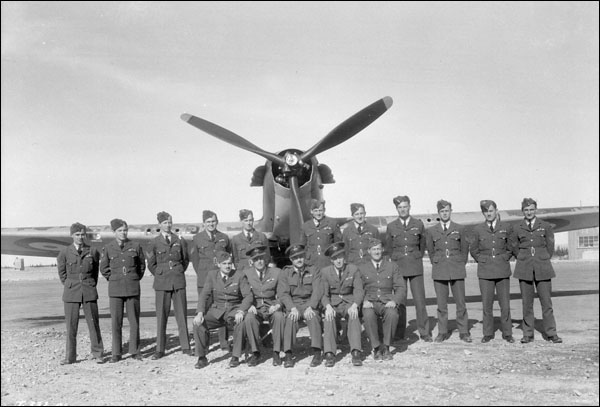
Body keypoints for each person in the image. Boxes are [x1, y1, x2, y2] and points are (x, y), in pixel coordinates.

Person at [510, 198, 562, 344]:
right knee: (527, 303)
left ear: (536, 210)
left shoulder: (545, 226)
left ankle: (551, 333)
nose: (529, 212)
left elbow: (550, 245)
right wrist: (521, 256)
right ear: (522, 211)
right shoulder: (517, 227)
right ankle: (528, 334)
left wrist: (543, 258)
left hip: (542, 267)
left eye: (531, 209)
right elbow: (514, 245)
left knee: (546, 303)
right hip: (524, 267)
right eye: (526, 210)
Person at [193, 251, 253, 369]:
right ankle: (201, 357)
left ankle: (235, 356)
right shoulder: (212, 275)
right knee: (198, 324)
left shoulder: (239, 275)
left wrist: (241, 311)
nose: (227, 266)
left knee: (240, 323)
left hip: (233, 310)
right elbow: (204, 295)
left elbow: (248, 296)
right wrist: (199, 313)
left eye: (229, 263)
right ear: (218, 264)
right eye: (224, 263)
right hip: (217, 311)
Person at [385, 195, 431, 342]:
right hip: (399, 267)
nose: (402, 209)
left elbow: (422, 244)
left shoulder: (418, 224)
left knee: (419, 300)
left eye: (405, 206)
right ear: (396, 209)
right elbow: (389, 247)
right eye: (400, 207)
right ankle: (399, 333)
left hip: (415, 265)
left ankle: (424, 332)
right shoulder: (391, 226)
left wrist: (416, 255)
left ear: (409, 206)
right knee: (400, 301)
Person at [146, 211, 191, 359]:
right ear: (159, 224)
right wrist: (161, 273)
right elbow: (151, 264)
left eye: (170, 222)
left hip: (178, 280)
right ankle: (160, 349)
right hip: (162, 282)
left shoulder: (179, 240)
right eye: (165, 222)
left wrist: (176, 272)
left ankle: (185, 346)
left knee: (181, 315)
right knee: (161, 316)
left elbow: (185, 260)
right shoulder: (154, 242)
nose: (168, 225)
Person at [57, 222, 104, 364]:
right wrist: (70, 284)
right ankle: (70, 357)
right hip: (71, 292)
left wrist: (89, 284)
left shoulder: (93, 251)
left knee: (93, 324)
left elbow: (95, 272)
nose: (80, 237)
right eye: (77, 234)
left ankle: (98, 354)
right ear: (72, 235)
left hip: (88, 290)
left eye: (83, 234)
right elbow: (62, 274)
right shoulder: (64, 252)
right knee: (71, 325)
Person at [100, 219, 146, 362]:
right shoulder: (108, 248)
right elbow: (104, 268)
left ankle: (135, 351)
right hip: (115, 289)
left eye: (125, 230)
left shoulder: (135, 246)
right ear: (114, 232)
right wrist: (115, 278)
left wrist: (133, 278)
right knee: (116, 322)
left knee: (134, 321)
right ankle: (116, 353)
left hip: (132, 287)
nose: (123, 233)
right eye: (120, 230)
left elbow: (141, 267)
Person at [425, 200, 472, 343]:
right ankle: (442, 331)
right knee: (441, 304)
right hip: (440, 270)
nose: (445, 213)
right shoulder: (432, 231)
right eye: (442, 211)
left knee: (461, 303)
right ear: (438, 213)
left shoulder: (460, 229)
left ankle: (464, 332)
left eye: (447, 210)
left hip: (456, 268)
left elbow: (464, 250)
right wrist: (438, 262)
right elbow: (431, 251)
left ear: (451, 211)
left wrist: (459, 262)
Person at [469, 200, 515, 343]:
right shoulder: (478, 230)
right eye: (486, 211)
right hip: (485, 271)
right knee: (487, 305)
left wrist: (504, 258)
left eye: (491, 210)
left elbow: (511, 247)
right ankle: (488, 333)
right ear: (483, 213)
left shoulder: (506, 227)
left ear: (496, 211)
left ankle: (507, 333)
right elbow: (474, 249)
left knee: (505, 304)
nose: (489, 213)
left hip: (502, 270)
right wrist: (483, 260)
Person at [357, 238, 406, 361]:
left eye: (379, 249)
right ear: (369, 251)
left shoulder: (392, 266)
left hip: (387, 300)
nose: (377, 252)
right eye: (374, 249)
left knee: (392, 313)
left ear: (383, 250)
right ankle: (376, 348)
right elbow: (358, 288)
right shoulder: (362, 268)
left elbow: (400, 287)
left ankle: (386, 346)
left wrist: (394, 300)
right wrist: (364, 301)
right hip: (370, 302)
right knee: (367, 316)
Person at [189, 210, 231, 350]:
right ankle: (204, 343)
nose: (211, 224)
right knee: (204, 310)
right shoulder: (197, 238)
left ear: (217, 221)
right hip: (204, 280)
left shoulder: (223, 237)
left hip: (220, 281)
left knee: (222, 308)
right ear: (203, 224)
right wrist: (203, 274)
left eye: (213, 221)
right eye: (208, 222)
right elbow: (195, 260)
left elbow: (228, 256)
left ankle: (224, 342)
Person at [277, 244, 323, 368]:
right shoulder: (285, 272)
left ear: (304, 257)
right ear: (291, 260)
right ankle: (288, 353)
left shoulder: (313, 270)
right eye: (295, 257)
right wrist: (292, 308)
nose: (299, 260)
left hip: (309, 303)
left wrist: (311, 306)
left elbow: (317, 290)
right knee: (290, 320)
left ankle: (317, 352)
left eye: (301, 256)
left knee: (313, 317)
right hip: (294, 304)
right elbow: (283, 293)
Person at [321, 242, 364, 367]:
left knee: (354, 316)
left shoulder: (353, 269)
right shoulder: (325, 272)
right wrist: (327, 306)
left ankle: (356, 351)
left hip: (349, 302)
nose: (338, 261)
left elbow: (358, 290)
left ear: (344, 257)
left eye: (340, 257)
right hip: (333, 303)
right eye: (335, 258)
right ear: (331, 260)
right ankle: (329, 353)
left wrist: (355, 304)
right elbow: (323, 294)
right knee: (329, 318)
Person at [242, 242, 284, 366]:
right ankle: (255, 352)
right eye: (256, 259)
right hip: (255, 306)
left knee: (279, 316)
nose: (259, 261)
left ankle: (276, 352)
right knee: (249, 318)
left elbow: (282, 292)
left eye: (261, 258)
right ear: (252, 261)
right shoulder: (246, 273)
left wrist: (277, 304)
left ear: (266, 259)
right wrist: (249, 306)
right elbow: (243, 293)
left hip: (271, 304)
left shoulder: (276, 272)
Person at [300, 199, 342, 269]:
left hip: (328, 262)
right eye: (315, 211)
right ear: (311, 211)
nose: (318, 213)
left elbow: (338, 244)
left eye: (320, 210)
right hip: (311, 263)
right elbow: (302, 246)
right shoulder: (305, 226)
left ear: (324, 210)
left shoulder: (332, 224)